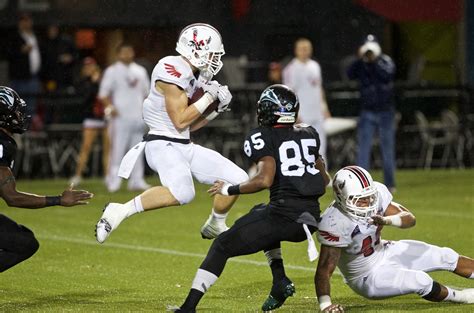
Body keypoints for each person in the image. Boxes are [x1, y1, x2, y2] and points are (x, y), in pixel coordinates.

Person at [169, 84, 330, 313]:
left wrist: (229, 189)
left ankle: (188, 308)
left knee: (222, 245)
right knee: (259, 212)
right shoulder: (309, 133)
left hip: (285, 217)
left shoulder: (262, 135)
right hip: (311, 218)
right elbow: (324, 181)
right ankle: (279, 281)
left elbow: (263, 180)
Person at [95, 23, 248, 243]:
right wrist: (208, 98)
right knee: (184, 193)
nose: (215, 59)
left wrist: (215, 111)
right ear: (197, 49)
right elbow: (179, 120)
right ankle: (119, 210)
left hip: (183, 144)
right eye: (212, 54)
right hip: (162, 145)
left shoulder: (194, 74)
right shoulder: (170, 67)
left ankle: (215, 223)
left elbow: (190, 127)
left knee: (238, 179)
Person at [314, 165, 474, 312]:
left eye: (370, 197)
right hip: (366, 276)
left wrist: (388, 220)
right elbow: (324, 270)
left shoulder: (376, 194)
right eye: (361, 200)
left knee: (446, 256)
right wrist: (326, 305)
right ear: (342, 198)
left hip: (384, 250)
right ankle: (462, 297)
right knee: (421, 280)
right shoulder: (333, 223)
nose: (368, 203)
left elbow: (410, 218)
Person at [0, 86, 93, 273]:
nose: (20, 116)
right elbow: (12, 197)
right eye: (15, 111)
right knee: (25, 243)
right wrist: (58, 199)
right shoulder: (3, 144)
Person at [98, 43, 150, 192]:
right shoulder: (112, 71)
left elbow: (146, 93)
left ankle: (137, 180)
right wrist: (110, 107)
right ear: (118, 54)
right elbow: (103, 94)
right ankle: (114, 181)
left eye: (129, 52)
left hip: (138, 116)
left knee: (137, 149)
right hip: (120, 117)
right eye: (124, 52)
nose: (127, 55)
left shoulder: (140, 71)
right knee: (117, 150)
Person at [347, 35, 396, 192]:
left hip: (385, 112)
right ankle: (362, 183)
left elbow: (387, 75)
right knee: (364, 149)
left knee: (387, 149)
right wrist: (360, 59)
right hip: (367, 111)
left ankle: (390, 183)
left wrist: (374, 62)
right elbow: (349, 73)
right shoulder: (361, 64)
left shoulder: (385, 61)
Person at [283, 38, 330, 162]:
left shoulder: (315, 66)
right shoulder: (291, 69)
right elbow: (288, 94)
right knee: (303, 147)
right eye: (302, 49)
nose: (305, 52)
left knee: (321, 146)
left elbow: (319, 88)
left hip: (317, 112)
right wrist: (294, 113)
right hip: (302, 114)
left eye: (307, 49)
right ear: (296, 51)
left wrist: (324, 107)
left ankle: (322, 176)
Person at [70, 57, 109, 186]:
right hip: (91, 118)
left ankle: (108, 176)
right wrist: (93, 83)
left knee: (107, 148)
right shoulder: (82, 82)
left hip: (105, 118)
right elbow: (84, 99)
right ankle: (78, 175)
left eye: (91, 66)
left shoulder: (104, 80)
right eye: (86, 67)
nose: (89, 69)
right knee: (86, 148)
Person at [5, 13, 41, 117]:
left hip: (34, 77)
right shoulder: (14, 37)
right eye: (23, 21)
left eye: (27, 21)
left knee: (31, 107)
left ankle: (29, 131)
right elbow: (7, 53)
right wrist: (21, 51)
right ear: (19, 23)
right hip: (19, 78)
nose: (25, 24)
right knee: (17, 106)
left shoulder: (35, 37)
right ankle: (17, 131)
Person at [41, 25, 78, 91]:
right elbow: (43, 61)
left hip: (66, 77)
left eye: (54, 29)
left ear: (57, 30)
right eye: (50, 30)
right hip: (50, 78)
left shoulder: (66, 41)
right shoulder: (44, 43)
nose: (52, 32)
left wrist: (70, 58)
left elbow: (76, 55)